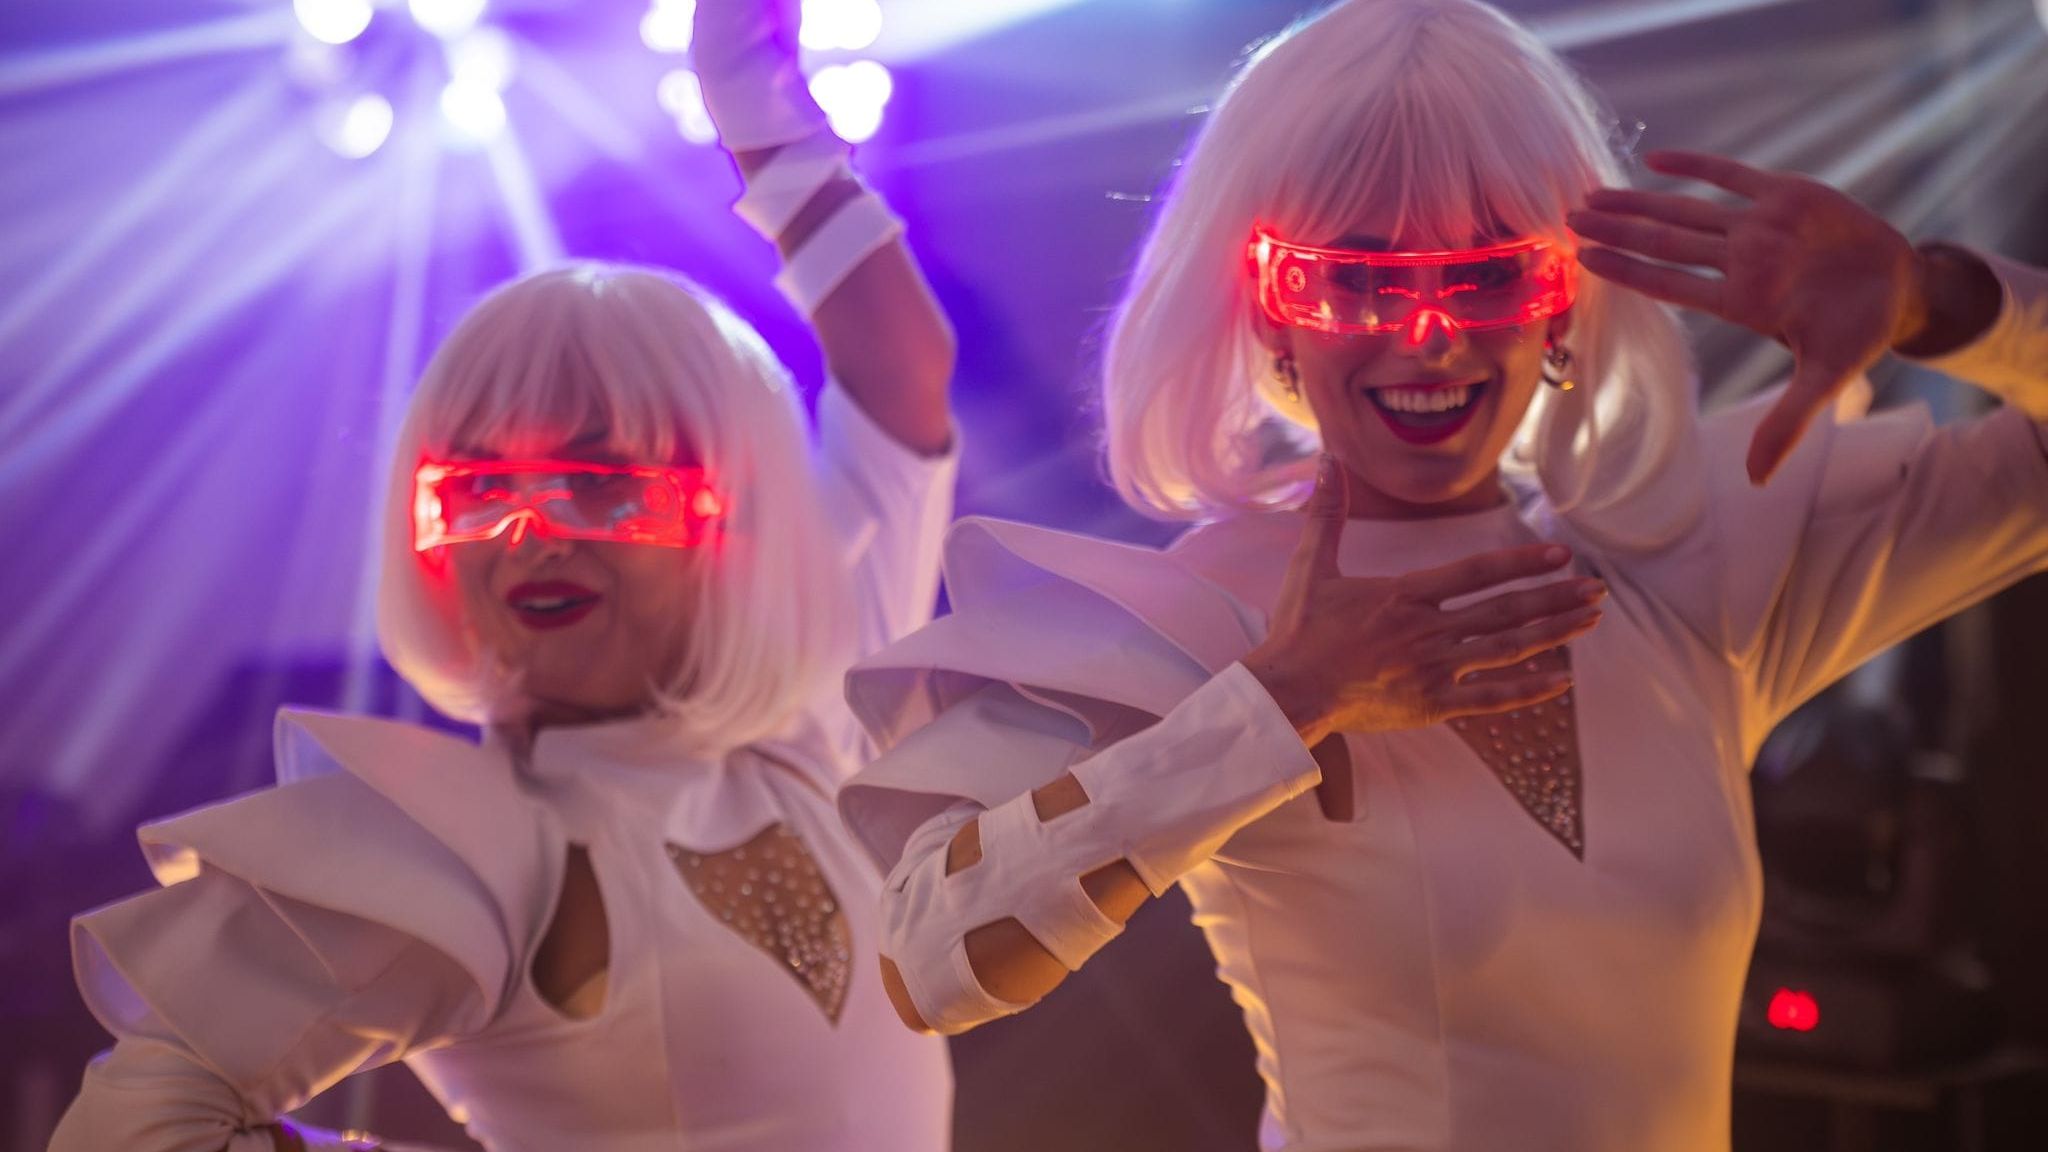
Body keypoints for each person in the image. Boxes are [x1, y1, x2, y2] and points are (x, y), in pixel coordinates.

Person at [833, 1, 2048, 1149]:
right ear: (1270, 311)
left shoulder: (1676, 574)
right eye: (1355, 277)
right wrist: (1277, 705)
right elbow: (928, 959)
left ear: (1560, 304)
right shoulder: (1208, 615)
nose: (1430, 333)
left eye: (1484, 273)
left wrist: (1944, 306)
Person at [48, 0, 960, 1148]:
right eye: (479, 490)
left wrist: (748, 89)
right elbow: (139, 1124)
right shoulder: (459, 841)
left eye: (600, 484)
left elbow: (899, 371)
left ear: (735, 522)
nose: (529, 533)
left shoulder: (814, 719)